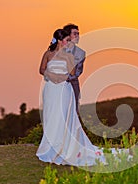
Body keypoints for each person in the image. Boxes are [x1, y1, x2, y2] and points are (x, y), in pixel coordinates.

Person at [36, 29, 106, 166]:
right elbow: (41, 69)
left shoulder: (69, 56)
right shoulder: (48, 54)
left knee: (63, 116)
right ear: (59, 40)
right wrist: (51, 76)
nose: (69, 42)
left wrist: (60, 78)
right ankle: (50, 145)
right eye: (67, 40)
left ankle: (64, 146)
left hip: (63, 89)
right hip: (50, 89)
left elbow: (72, 73)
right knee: (51, 116)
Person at [63, 23, 86, 114]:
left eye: (78, 33)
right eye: (74, 34)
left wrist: (66, 78)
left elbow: (78, 71)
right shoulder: (58, 50)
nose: (77, 36)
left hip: (73, 84)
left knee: (74, 111)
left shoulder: (81, 53)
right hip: (57, 85)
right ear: (68, 36)